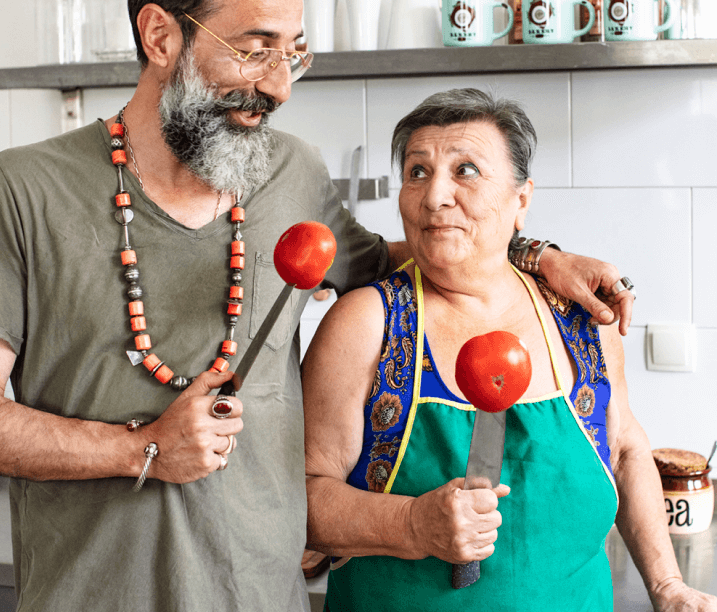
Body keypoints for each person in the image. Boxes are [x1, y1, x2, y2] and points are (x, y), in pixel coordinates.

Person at [0, 0, 633, 612]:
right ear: (160, 36)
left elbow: (408, 256)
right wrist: (140, 447)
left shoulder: (291, 173)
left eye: (292, 53)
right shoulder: (26, 187)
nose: (279, 86)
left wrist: (535, 254)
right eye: (254, 48)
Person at [303, 89, 715, 612]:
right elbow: (302, 498)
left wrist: (667, 587)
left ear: (521, 200)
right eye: (417, 172)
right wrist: (412, 526)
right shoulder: (365, 324)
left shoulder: (579, 316)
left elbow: (627, 448)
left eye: (466, 170)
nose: (434, 197)